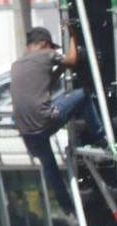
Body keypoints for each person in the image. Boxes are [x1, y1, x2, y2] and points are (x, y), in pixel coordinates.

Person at [10, 26, 105, 213]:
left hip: (27, 132)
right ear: (45, 44)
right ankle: (100, 137)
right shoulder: (46, 55)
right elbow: (72, 59)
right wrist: (73, 36)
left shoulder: (17, 64)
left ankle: (67, 207)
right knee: (83, 95)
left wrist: (59, 70)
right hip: (45, 120)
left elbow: (46, 84)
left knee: (49, 166)